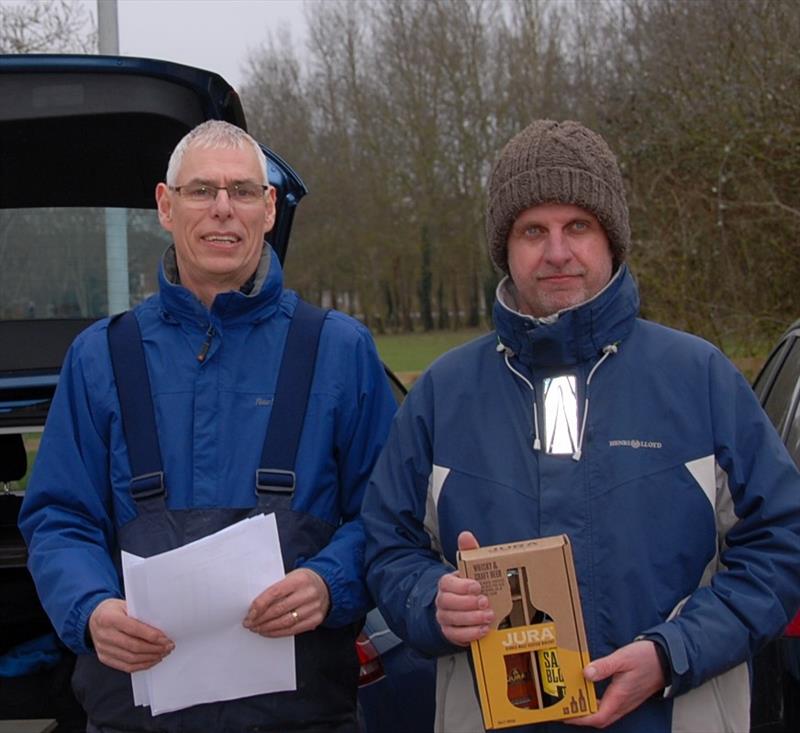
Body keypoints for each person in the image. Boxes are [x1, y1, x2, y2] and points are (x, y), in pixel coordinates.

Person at [362, 119, 800, 732]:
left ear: (612, 240)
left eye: (579, 227)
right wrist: (429, 601)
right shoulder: (443, 393)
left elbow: (783, 543)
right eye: (533, 230)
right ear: (505, 247)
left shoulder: (698, 377)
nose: (558, 251)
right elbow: (387, 546)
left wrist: (675, 652)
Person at [20, 120, 397, 733]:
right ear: (166, 207)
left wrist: (331, 582)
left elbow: (390, 517)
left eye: (243, 192)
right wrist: (89, 609)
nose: (223, 209)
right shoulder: (99, 357)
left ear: (269, 209)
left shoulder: (339, 350)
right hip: (135, 716)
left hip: (304, 717)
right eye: (201, 191)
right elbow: (59, 518)